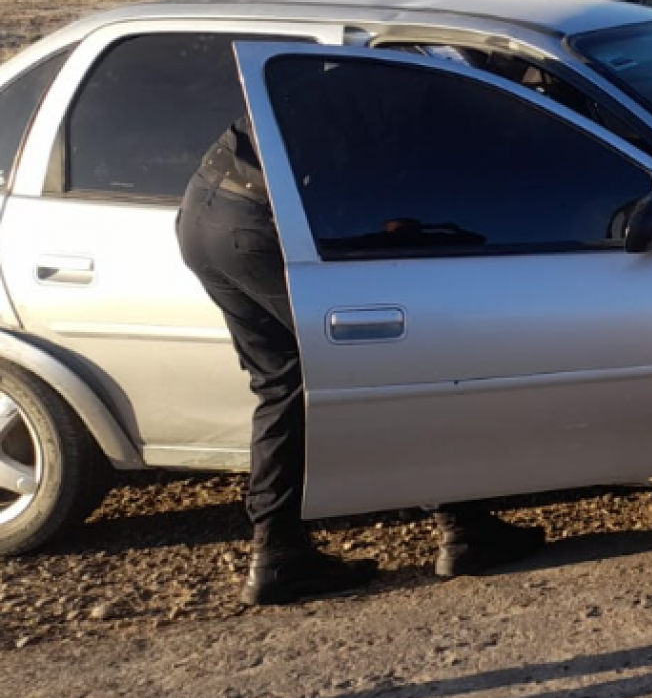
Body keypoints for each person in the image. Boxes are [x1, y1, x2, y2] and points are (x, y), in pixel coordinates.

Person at [177, 115, 546, 606]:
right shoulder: (384, 90)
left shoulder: (339, 66)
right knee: (395, 368)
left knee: (284, 384)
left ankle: (278, 554)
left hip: (207, 218)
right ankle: (463, 528)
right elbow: (359, 193)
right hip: (261, 227)